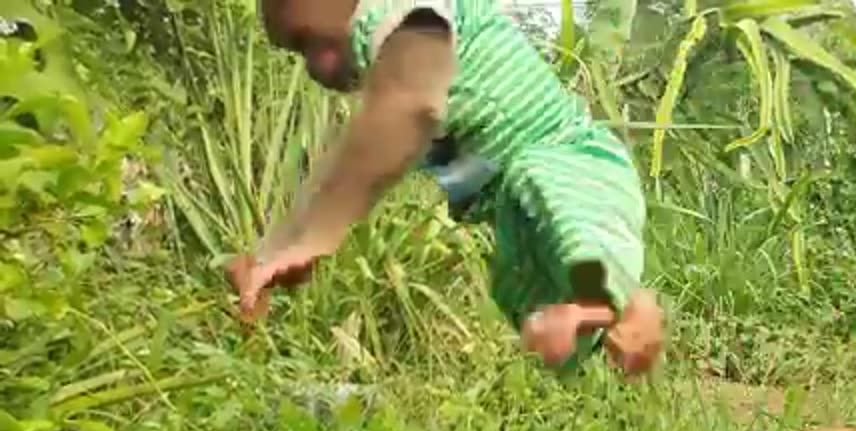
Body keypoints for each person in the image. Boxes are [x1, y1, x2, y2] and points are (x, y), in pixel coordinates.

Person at [226, 0, 664, 376]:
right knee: (541, 301)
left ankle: (626, 305)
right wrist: (276, 250)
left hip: (567, 161)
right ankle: (599, 315)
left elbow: (411, 107)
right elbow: (344, 165)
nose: (314, 69)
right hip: (511, 204)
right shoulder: (386, 52)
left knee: (569, 228)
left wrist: (317, 238)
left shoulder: (408, 13)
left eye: (309, 42)